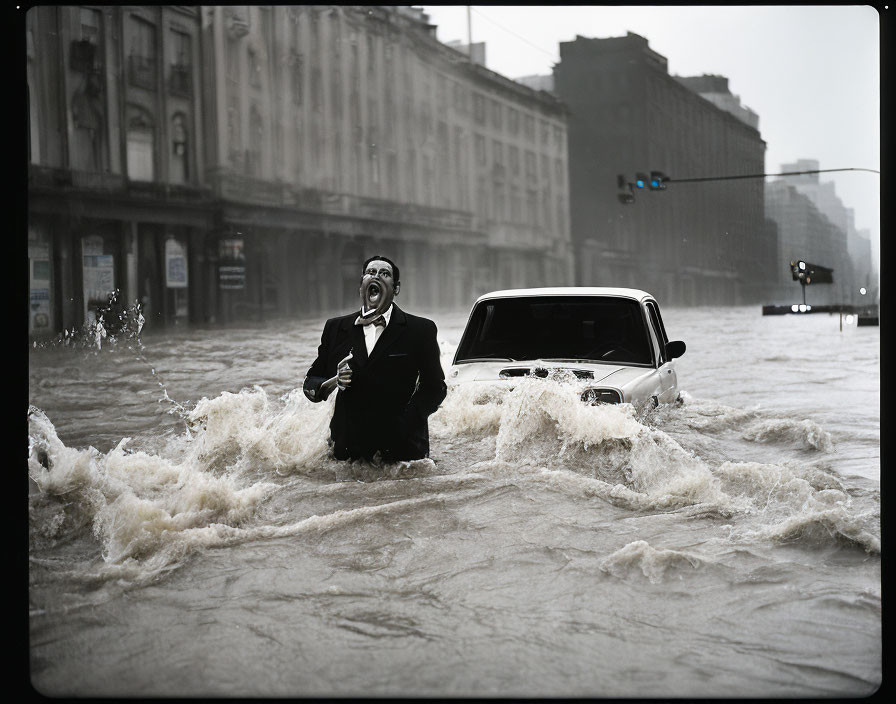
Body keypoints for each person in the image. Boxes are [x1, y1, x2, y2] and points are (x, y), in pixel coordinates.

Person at [303, 255, 447, 462]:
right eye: (371, 273)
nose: (376, 277)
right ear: (361, 284)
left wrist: (406, 423)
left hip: (403, 452)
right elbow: (311, 384)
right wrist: (334, 380)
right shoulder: (335, 328)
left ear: (396, 288)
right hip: (348, 452)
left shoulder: (420, 329)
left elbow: (435, 388)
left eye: (384, 274)